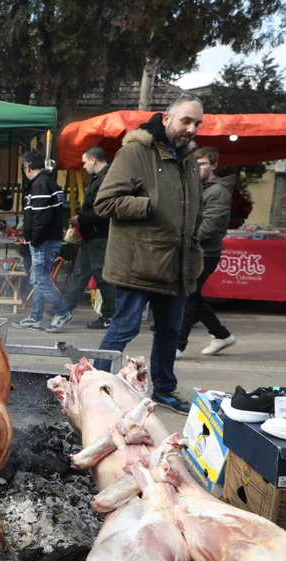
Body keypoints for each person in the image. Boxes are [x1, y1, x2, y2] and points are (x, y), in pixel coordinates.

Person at [93, 94, 205, 414]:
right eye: (186, 120)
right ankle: (94, 385)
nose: (192, 128)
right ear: (167, 118)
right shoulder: (135, 152)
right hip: (138, 262)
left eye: (197, 123)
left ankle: (165, 390)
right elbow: (105, 203)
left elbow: (191, 211)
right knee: (124, 328)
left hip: (177, 261)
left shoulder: (189, 160)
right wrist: (149, 205)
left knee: (169, 331)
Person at [177, 146, 236, 358]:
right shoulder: (196, 187)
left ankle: (178, 345)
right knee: (193, 296)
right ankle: (221, 335)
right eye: (195, 163)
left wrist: (182, 240)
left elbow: (210, 226)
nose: (197, 167)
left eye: (202, 164)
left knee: (188, 297)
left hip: (205, 253)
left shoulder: (217, 191)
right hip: (194, 250)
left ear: (214, 166)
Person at [13, 150, 71, 332]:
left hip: (43, 241)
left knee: (38, 279)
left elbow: (41, 216)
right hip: (47, 239)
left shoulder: (39, 185)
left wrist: (34, 240)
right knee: (40, 278)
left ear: (27, 168)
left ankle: (62, 312)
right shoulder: (47, 182)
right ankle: (35, 317)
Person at [63, 146, 116, 329]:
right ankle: (64, 309)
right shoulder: (101, 178)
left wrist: (81, 218)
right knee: (80, 273)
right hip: (91, 234)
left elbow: (103, 210)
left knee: (101, 276)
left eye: (85, 162)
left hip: (99, 235)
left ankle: (110, 315)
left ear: (93, 160)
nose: (84, 166)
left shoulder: (105, 179)